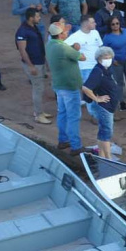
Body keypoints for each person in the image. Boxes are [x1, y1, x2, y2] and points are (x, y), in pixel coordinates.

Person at [45, 22, 86, 154]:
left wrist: (72, 47)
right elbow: (82, 57)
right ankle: (76, 146)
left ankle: (63, 140)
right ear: (61, 34)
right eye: (65, 31)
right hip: (69, 86)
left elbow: (65, 50)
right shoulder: (63, 48)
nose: (67, 32)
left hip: (59, 85)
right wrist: (76, 48)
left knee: (62, 113)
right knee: (73, 116)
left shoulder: (50, 44)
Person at [82, 46, 118, 159]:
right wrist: (97, 99)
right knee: (106, 133)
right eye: (105, 57)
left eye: (109, 57)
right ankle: (108, 158)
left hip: (109, 107)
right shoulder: (98, 71)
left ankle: (102, 156)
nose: (108, 59)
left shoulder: (107, 69)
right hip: (104, 108)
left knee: (103, 131)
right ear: (99, 59)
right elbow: (86, 88)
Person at [16, 9, 51, 124]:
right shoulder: (22, 31)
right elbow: (22, 51)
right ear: (31, 18)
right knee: (37, 89)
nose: (39, 18)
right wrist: (31, 66)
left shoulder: (33, 27)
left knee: (40, 88)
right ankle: (38, 114)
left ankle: (39, 111)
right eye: (37, 16)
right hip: (33, 63)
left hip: (39, 61)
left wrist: (45, 61)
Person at [102, 14, 126, 111]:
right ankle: (121, 101)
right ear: (110, 26)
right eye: (113, 24)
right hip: (117, 63)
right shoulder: (107, 37)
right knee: (119, 83)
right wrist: (112, 61)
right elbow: (104, 50)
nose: (115, 26)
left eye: (117, 23)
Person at [65, 15, 103, 84]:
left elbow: (100, 47)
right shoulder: (75, 36)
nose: (95, 24)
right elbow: (63, 48)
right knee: (87, 90)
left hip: (97, 66)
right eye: (93, 22)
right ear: (86, 24)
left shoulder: (95, 33)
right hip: (84, 68)